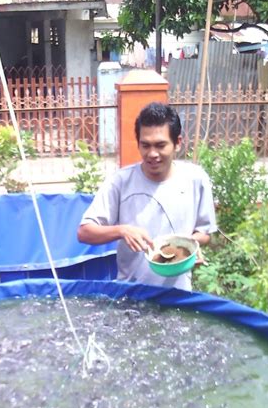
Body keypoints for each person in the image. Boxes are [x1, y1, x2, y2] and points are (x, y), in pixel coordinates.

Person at [77, 102, 217, 291]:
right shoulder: (120, 181)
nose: (152, 154)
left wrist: (190, 245)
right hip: (131, 297)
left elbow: (204, 232)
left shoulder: (195, 179)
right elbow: (84, 232)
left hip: (179, 295)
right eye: (145, 145)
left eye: (160, 145)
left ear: (178, 143)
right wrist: (122, 231)